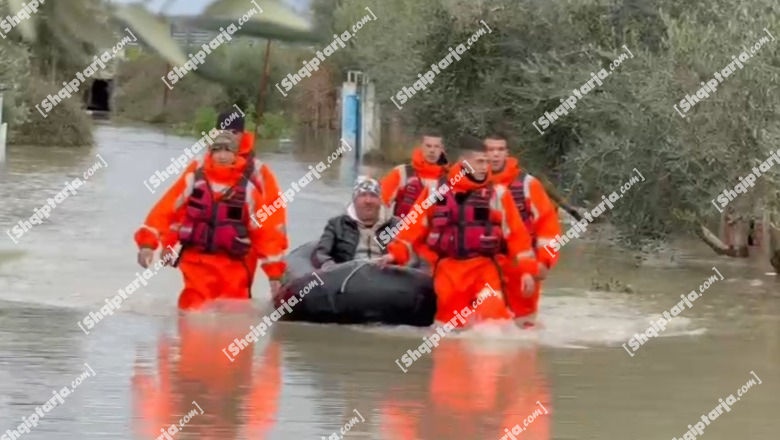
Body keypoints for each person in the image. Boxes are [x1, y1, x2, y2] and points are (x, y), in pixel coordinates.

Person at [380, 135, 538, 328]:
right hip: (448, 270)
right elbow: (412, 228)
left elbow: (517, 237)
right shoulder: (435, 191)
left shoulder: (498, 194)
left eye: (487, 162)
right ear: (464, 162)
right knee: (449, 332)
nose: (485, 167)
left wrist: (527, 271)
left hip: (485, 268)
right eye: (480, 162)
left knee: (494, 323)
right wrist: (395, 255)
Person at [134, 131, 288, 310]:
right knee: (191, 315)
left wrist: (275, 275)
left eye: (228, 150)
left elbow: (265, 235)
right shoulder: (193, 180)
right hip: (196, 263)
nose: (222, 156)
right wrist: (147, 245)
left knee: (233, 322)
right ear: (210, 153)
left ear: (236, 154)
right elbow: (166, 210)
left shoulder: (248, 192)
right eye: (217, 150)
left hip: (234, 268)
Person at [486, 132, 561, 327]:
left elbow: (548, 228)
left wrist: (545, 261)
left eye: (500, 150)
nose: (495, 155)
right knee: (485, 327)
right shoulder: (468, 184)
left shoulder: (529, 186)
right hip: (484, 265)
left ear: (507, 153)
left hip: (522, 266)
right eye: (490, 150)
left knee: (523, 327)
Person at [217, 110, 288, 290]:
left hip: (241, 247)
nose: (229, 136)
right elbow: (176, 206)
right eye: (223, 130)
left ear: (243, 134)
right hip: (203, 249)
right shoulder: (200, 167)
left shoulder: (257, 171)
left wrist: (273, 269)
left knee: (235, 303)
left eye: (234, 132)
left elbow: (274, 215)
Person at [311, 177, 403, 269]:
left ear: (380, 201)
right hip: (348, 278)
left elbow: (412, 255)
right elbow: (320, 254)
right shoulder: (336, 225)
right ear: (354, 200)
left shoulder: (396, 225)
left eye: (373, 196)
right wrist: (330, 267)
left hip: (386, 277)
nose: (368, 201)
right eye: (362, 195)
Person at [380, 128, 448, 217]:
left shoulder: (450, 178)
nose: (432, 150)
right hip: (404, 228)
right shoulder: (402, 173)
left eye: (436, 146)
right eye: (428, 146)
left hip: (436, 230)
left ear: (442, 149)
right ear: (421, 146)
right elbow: (380, 203)